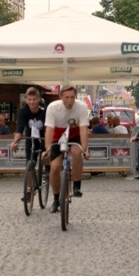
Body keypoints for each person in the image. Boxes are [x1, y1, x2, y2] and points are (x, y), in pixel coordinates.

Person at [44, 85, 90, 213]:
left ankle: (76, 185)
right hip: (58, 136)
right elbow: (49, 130)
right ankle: (55, 199)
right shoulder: (53, 107)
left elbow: (84, 130)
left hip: (75, 135)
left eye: (72, 98)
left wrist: (84, 149)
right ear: (60, 97)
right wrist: (48, 149)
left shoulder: (81, 107)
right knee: (54, 167)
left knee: (76, 152)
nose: (70, 101)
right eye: (67, 98)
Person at [11, 87, 47, 202]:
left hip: (45, 135)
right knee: (29, 163)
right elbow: (19, 130)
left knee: (47, 155)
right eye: (29, 99)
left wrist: (46, 145)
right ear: (26, 100)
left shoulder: (45, 110)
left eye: (34, 99)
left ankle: (48, 171)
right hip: (31, 137)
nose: (32, 102)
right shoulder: (23, 111)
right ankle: (28, 190)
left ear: (38, 99)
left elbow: (49, 128)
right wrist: (15, 142)